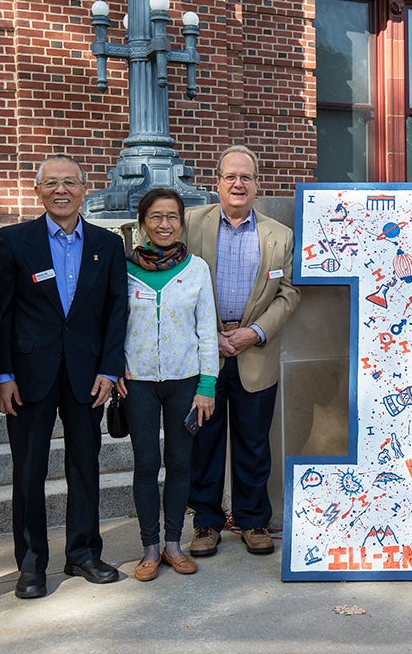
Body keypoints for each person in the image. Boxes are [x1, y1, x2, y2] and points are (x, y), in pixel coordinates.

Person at [0, 155, 128, 599]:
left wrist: (109, 368)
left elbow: (116, 312)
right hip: (28, 376)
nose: (61, 190)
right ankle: (31, 565)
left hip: (87, 376)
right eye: (51, 183)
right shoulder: (13, 240)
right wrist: (2, 373)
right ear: (38, 191)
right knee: (28, 471)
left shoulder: (108, 245)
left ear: (85, 189)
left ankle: (84, 552)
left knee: (85, 466)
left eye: (70, 182)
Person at [184, 145, 300, 556]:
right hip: (205, 354)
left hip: (254, 351)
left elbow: (287, 293)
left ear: (256, 184)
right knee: (205, 442)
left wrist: (254, 332)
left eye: (246, 177)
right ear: (217, 183)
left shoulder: (278, 235)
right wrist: (207, 335)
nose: (238, 184)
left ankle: (254, 522)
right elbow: (174, 281)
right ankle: (207, 523)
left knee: (254, 443)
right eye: (230, 176)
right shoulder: (188, 223)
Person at [117, 188, 217, 580]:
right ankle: (149, 548)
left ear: (182, 222)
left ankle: (174, 544)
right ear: (143, 222)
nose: (164, 224)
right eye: (156, 217)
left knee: (179, 462)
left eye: (172, 216)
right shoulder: (123, 268)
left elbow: (207, 331)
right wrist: (115, 367)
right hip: (137, 382)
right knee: (146, 463)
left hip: (185, 380)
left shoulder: (196, 269)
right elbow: (112, 324)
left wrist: (206, 385)